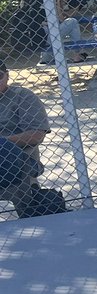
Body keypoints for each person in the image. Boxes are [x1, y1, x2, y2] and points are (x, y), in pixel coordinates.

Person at [0, 60, 52, 215]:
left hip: (15, 161)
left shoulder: (23, 97)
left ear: (7, 76)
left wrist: (2, 143)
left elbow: (36, 135)